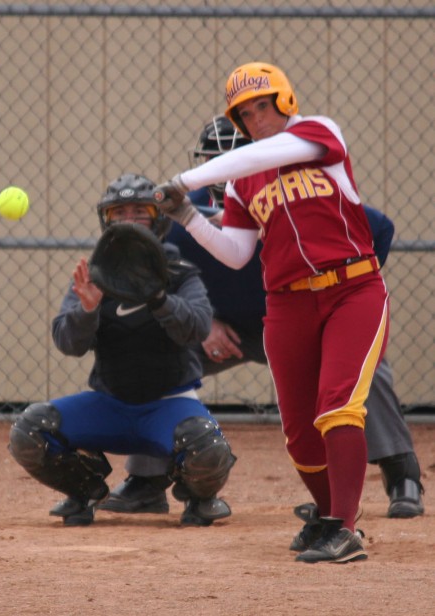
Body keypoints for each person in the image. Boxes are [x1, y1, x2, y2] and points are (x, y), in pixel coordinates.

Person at [102, 116, 424, 524]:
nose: (226, 166)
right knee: (159, 357)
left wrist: (341, 298)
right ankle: (146, 481)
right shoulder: (186, 222)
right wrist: (206, 322)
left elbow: (380, 229)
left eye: (236, 156)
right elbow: (175, 283)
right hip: (232, 332)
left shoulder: (300, 198)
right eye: (215, 158)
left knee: (366, 371)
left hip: (310, 319)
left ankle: (401, 475)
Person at [152, 61, 392, 564]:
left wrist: (184, 178)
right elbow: (237, 252)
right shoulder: (244, 181)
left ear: (284, 102)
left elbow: (276, 151)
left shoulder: (319, 134)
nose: (256, 118)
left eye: (263, 105)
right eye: (245, 112)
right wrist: (188, 214)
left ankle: (346, 530)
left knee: (338, 406)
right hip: (287, 303)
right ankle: (330, 517)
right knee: (299, 431)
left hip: (352, 289)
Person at [8, 173, 236, 528]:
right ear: (106, 219)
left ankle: (198, 498)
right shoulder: (94, 275)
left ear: (158, 218)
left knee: (206, 447)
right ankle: (86, 489)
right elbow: (68, 343)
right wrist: (88, 310)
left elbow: (198, 327)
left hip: (169, 402)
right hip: (110, 403)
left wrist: (158, 297)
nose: (129, 220)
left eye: (140, 211)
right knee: (30, 431)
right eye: (119, 212)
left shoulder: (178, 273)